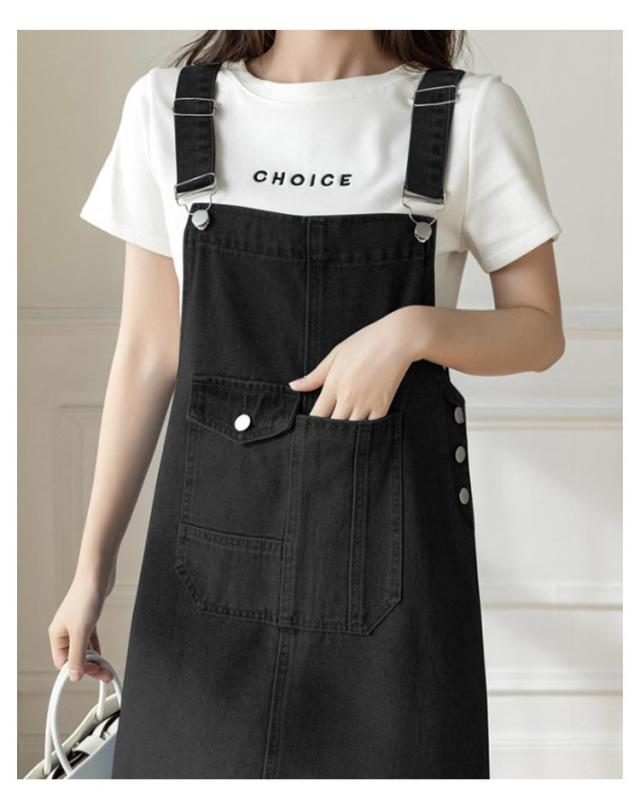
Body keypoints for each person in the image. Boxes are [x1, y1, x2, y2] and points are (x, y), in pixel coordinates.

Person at [48, 30, 564, 778]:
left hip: (396, 599)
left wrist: (411, 332)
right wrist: (89, 574)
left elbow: (539, 331)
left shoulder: (469, 114)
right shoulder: (169, 107)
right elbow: (149, 354)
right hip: (199, 604)